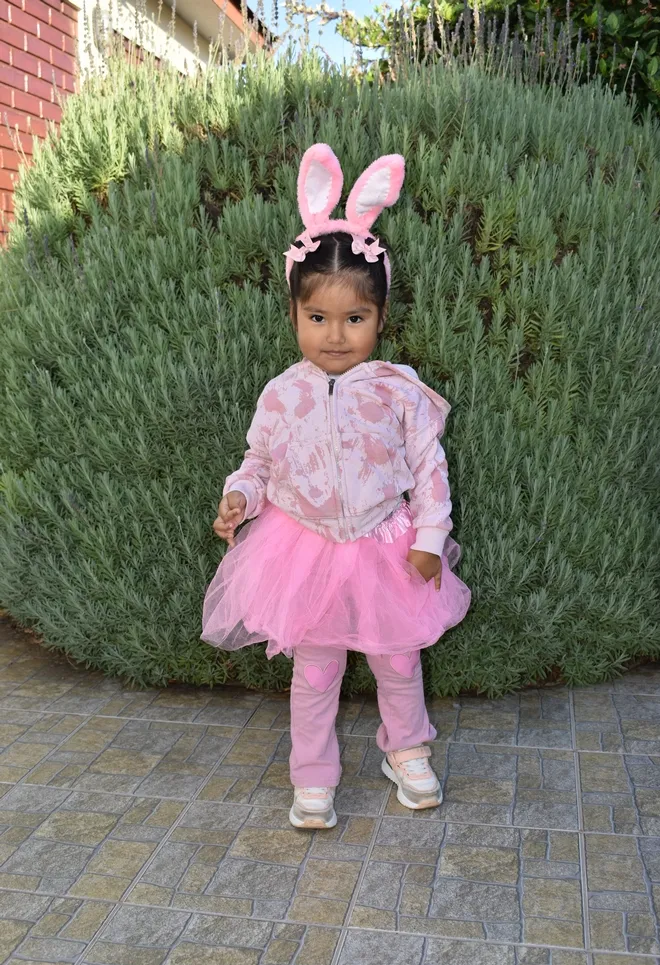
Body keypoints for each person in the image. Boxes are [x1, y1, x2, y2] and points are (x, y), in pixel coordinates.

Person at [202, 143, 471, 829]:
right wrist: (241, 496)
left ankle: (406, 749)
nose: (335, 335)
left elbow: (429, 467)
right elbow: (259, 462)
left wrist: (430, 537)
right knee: (315, 670)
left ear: (380, 317)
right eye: (317, 318)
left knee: (397, 659)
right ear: (293, 314)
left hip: (385, 545)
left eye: (355, 318)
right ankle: (312, 774)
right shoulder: (281, 393)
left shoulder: (397, 391)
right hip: (304, 551)